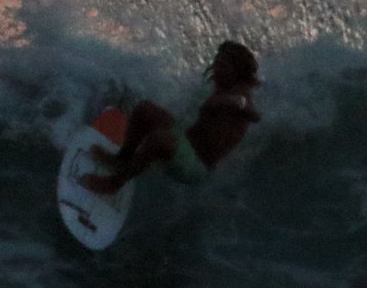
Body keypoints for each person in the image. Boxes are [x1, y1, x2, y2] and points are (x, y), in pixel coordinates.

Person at [80, 40, 262, 195]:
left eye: (223, 66)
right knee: (145, 109)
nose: (216, 69)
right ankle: (121, 160)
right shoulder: (223, 86)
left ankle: (113, 184)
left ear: (236, 72)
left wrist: (238, 103)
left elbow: (255, 115)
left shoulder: (240, 94)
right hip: (186, 144)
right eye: (217, 62)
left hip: (196, 167)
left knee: (159, 138)